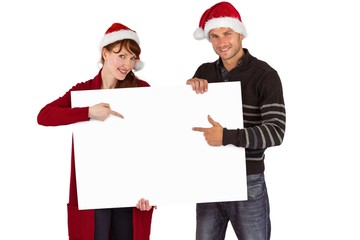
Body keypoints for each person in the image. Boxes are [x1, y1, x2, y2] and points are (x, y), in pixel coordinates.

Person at [37, 22, 155, 240]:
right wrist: (88, 112)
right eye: (121, 56)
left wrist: (151, 189)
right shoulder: (83, 91)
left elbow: (154, 142)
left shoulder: (142, 90)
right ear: (105, 53)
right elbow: (44, 116)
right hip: (94, 190)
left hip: (130, 192)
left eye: (132, 58)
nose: (127, 64)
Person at [186, 2, 286, 240]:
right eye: (215, 36)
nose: (222, 43)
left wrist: (226, 137)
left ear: (240, 33)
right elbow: (191, 124)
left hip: (248, 182)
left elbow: (276, 132)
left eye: (227, 34)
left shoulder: (265, 75)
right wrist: (188, 93)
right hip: (209, 180)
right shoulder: (204, 71)